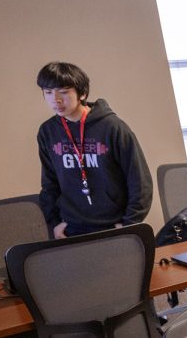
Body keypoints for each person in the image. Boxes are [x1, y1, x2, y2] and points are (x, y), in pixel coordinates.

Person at [36, 62, 152, 238]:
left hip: (114, 226)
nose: (56, 99)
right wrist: (55, 223)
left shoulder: (113, 128)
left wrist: (130, 224)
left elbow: (140, 182)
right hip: (71, 228)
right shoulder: (48, 132)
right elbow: (49, 183)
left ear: (82, 93)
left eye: (64, 92)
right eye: (48, 92)